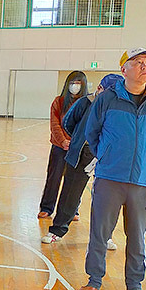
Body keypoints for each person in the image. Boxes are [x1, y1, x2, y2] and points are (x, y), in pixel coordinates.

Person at [79, 48, 146, 290]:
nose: (145, 66)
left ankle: (135, 284)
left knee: (137, 235)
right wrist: (108, 155)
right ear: (124, 70)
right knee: (100, 232)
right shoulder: (107, 99)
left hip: (143, 180)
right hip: (110, 177)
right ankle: (94, 280)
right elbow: (92, 132)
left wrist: (144, 155)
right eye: (138, 62)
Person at [42, 74, 123, 246]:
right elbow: (68, 123)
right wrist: (81, 139)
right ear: (100, 88)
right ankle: (57, 230)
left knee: (107, 197)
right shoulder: (86, 102)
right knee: (70, 193)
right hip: (83, 152)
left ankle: (105, 236)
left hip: (108, 155)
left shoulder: (120, 106)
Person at [38, 71, 88, 217]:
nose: (75, 86)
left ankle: (72, 210)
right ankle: (47, 207)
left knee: (74, 181)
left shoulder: (87, 103)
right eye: (73, 83)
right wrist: (63, 141)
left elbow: (86, 126)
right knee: (53, 177)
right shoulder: (58, 102)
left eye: (78, 83)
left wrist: (75, 143)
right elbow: (55, 124)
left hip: (77, 149)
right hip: (59, 147)